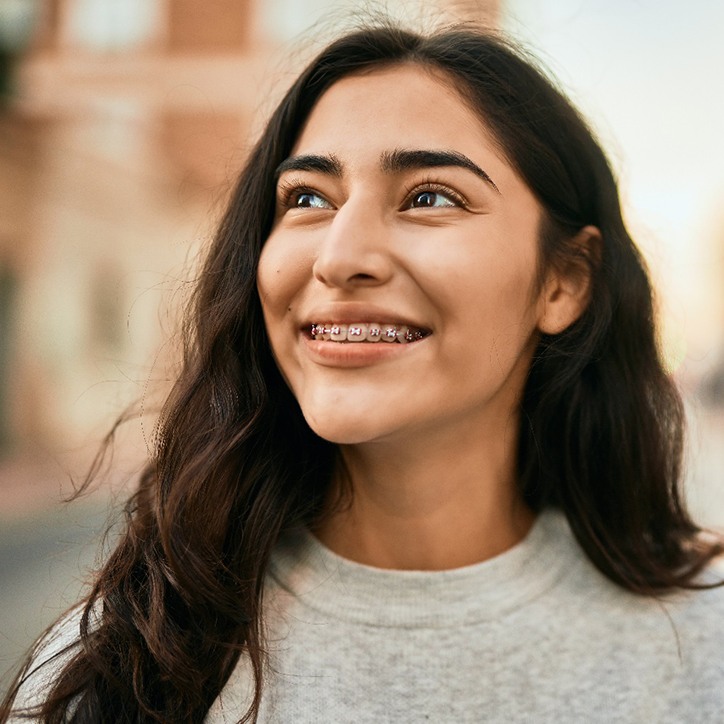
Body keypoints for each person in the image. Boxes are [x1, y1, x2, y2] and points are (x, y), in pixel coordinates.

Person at [3, 22, 724, 724]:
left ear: (564, 281)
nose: (339, 256)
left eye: (430, 196)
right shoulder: (115, 671)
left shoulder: (701, 644)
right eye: (308, 199)